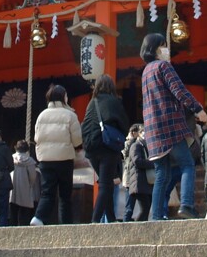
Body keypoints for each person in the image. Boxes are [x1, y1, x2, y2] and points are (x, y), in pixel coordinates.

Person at [139, 33, 207, 221]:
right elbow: (179, 90)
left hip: (153, 129)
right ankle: (186, 205)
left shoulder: (145, 72)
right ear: (155, 48)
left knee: (162, 173)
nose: (166, 49)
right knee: (187, 164)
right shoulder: (163, 66)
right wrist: (197, 109)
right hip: (169, 124)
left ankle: (156, 216)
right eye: (163, 45)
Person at [80, 74, 130, 223]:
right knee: (106, 185)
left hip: (91, 149)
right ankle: (95, 220)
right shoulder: (114, 101)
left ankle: (111, 218)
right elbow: (124, 123)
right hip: (107, 146)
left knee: (106, 183)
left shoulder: (92, 102)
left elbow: (86, 124)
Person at [30, 84, 82, 226]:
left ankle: (38, 217)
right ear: (63, 97)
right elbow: (77, 140)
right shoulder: (70, 115)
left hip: (45, 159)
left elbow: (37, 138)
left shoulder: (42, 115)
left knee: (47, 192)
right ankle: (66, 224)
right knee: (65, 195)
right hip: (64, 159)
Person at [125, 126, 154, 221]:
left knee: (146, 209)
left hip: (145, 183)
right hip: (138, 182)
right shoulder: (136, 145)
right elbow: (137, 161)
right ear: (140, 134)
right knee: (144, 209)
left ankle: (142, 228)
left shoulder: (145, 146)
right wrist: (153, 163)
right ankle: (136, 228)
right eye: (144, 132)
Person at [9, 140, 39, 226]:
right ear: (27, 149)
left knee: (12, 212)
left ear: (16, 148)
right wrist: (30, 184)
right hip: (25, 188)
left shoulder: (11, 158)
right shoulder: (30, 161)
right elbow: (33, 177)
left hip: (12, 188)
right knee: (24, 213)